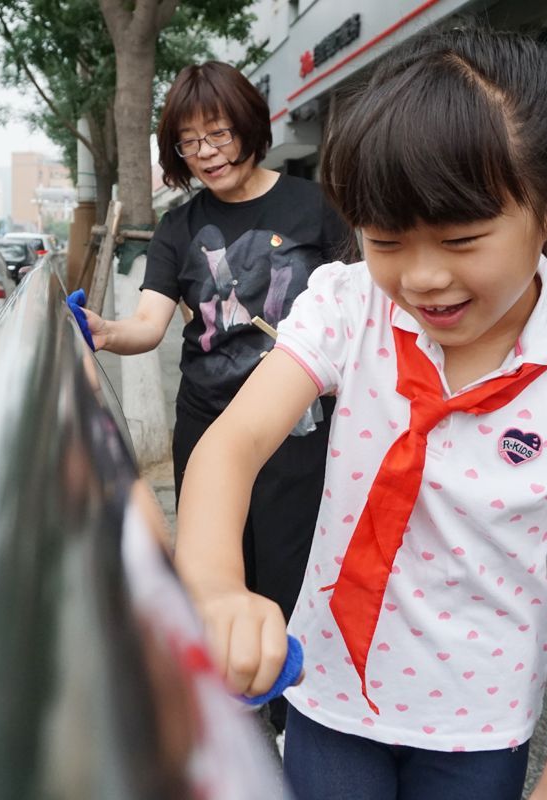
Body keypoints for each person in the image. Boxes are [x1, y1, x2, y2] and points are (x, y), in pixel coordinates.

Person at [173, 28, 547, 800]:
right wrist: (214, 586)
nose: (424, 278)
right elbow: (233, 442)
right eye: (387, 240)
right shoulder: (350, 307)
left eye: (462, 239)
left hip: (480, 722)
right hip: (330, 692)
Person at [82, 61, 352, 731]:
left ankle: (294, 714)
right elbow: (149, 323)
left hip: (297, 427)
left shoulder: (317, 206)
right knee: (219, 566)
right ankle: (232, 710)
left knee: (292, 566)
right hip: (206, 423)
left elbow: (361, 305)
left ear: (250, 127)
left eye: (219, 134)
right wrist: (105, 332)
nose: (206, 153)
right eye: (189, 142)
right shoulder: (179, 227)